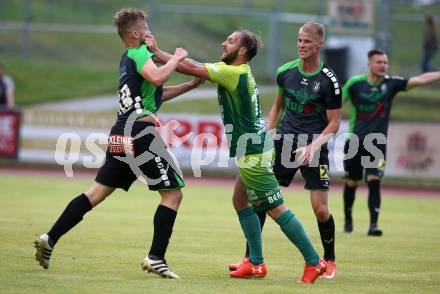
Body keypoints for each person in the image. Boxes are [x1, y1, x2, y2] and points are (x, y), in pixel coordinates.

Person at [34, 8, 202, 279]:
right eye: (146, 28)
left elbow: (155, 93)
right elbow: (159, 77)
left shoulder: (127, 59)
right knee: (173, 194)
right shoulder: (139, 53)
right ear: (136, 34)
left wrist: (190, 86)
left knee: (95, 194)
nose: (149, 32)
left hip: (120, 134)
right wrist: (179, 56)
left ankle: (49, 237)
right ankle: (156, 257)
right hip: (140, 134)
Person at [147, 30, 327, 283]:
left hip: (254, 152)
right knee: (240, 201)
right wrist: (158, 55)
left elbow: (189, 67)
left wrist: (158, 53)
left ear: (242, 51)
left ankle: (314, 261)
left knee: (275, 209)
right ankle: (255, 263)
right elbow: (193, 66)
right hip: (251, 148)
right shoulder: (233, 69)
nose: (224, 42)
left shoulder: (234, 73)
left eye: (230, 41)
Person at [242, 22, 339, 280]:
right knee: (261, 198)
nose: (301, 45)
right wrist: (268, 133)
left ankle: (328, 259)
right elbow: (277, 107)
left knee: (320, 209)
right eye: (299, 40)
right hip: (283, 143)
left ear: (319, 44)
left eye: (307, 41)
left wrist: (313, 147)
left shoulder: (329, 80)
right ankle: (251, 259)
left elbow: (334, 123)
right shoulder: (285, 72)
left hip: (314, 147)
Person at [342, 49, 440, 236]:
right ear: (369, 64)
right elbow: (335, 104)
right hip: (354, 142)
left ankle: (373, 226)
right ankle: (348, 221)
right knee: (352, 182)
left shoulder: (392, 84)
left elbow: (420, 80)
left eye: (385, 62)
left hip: (377, 143)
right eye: (379, 62)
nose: (383, 65)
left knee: (374, 181)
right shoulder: (355, 84)